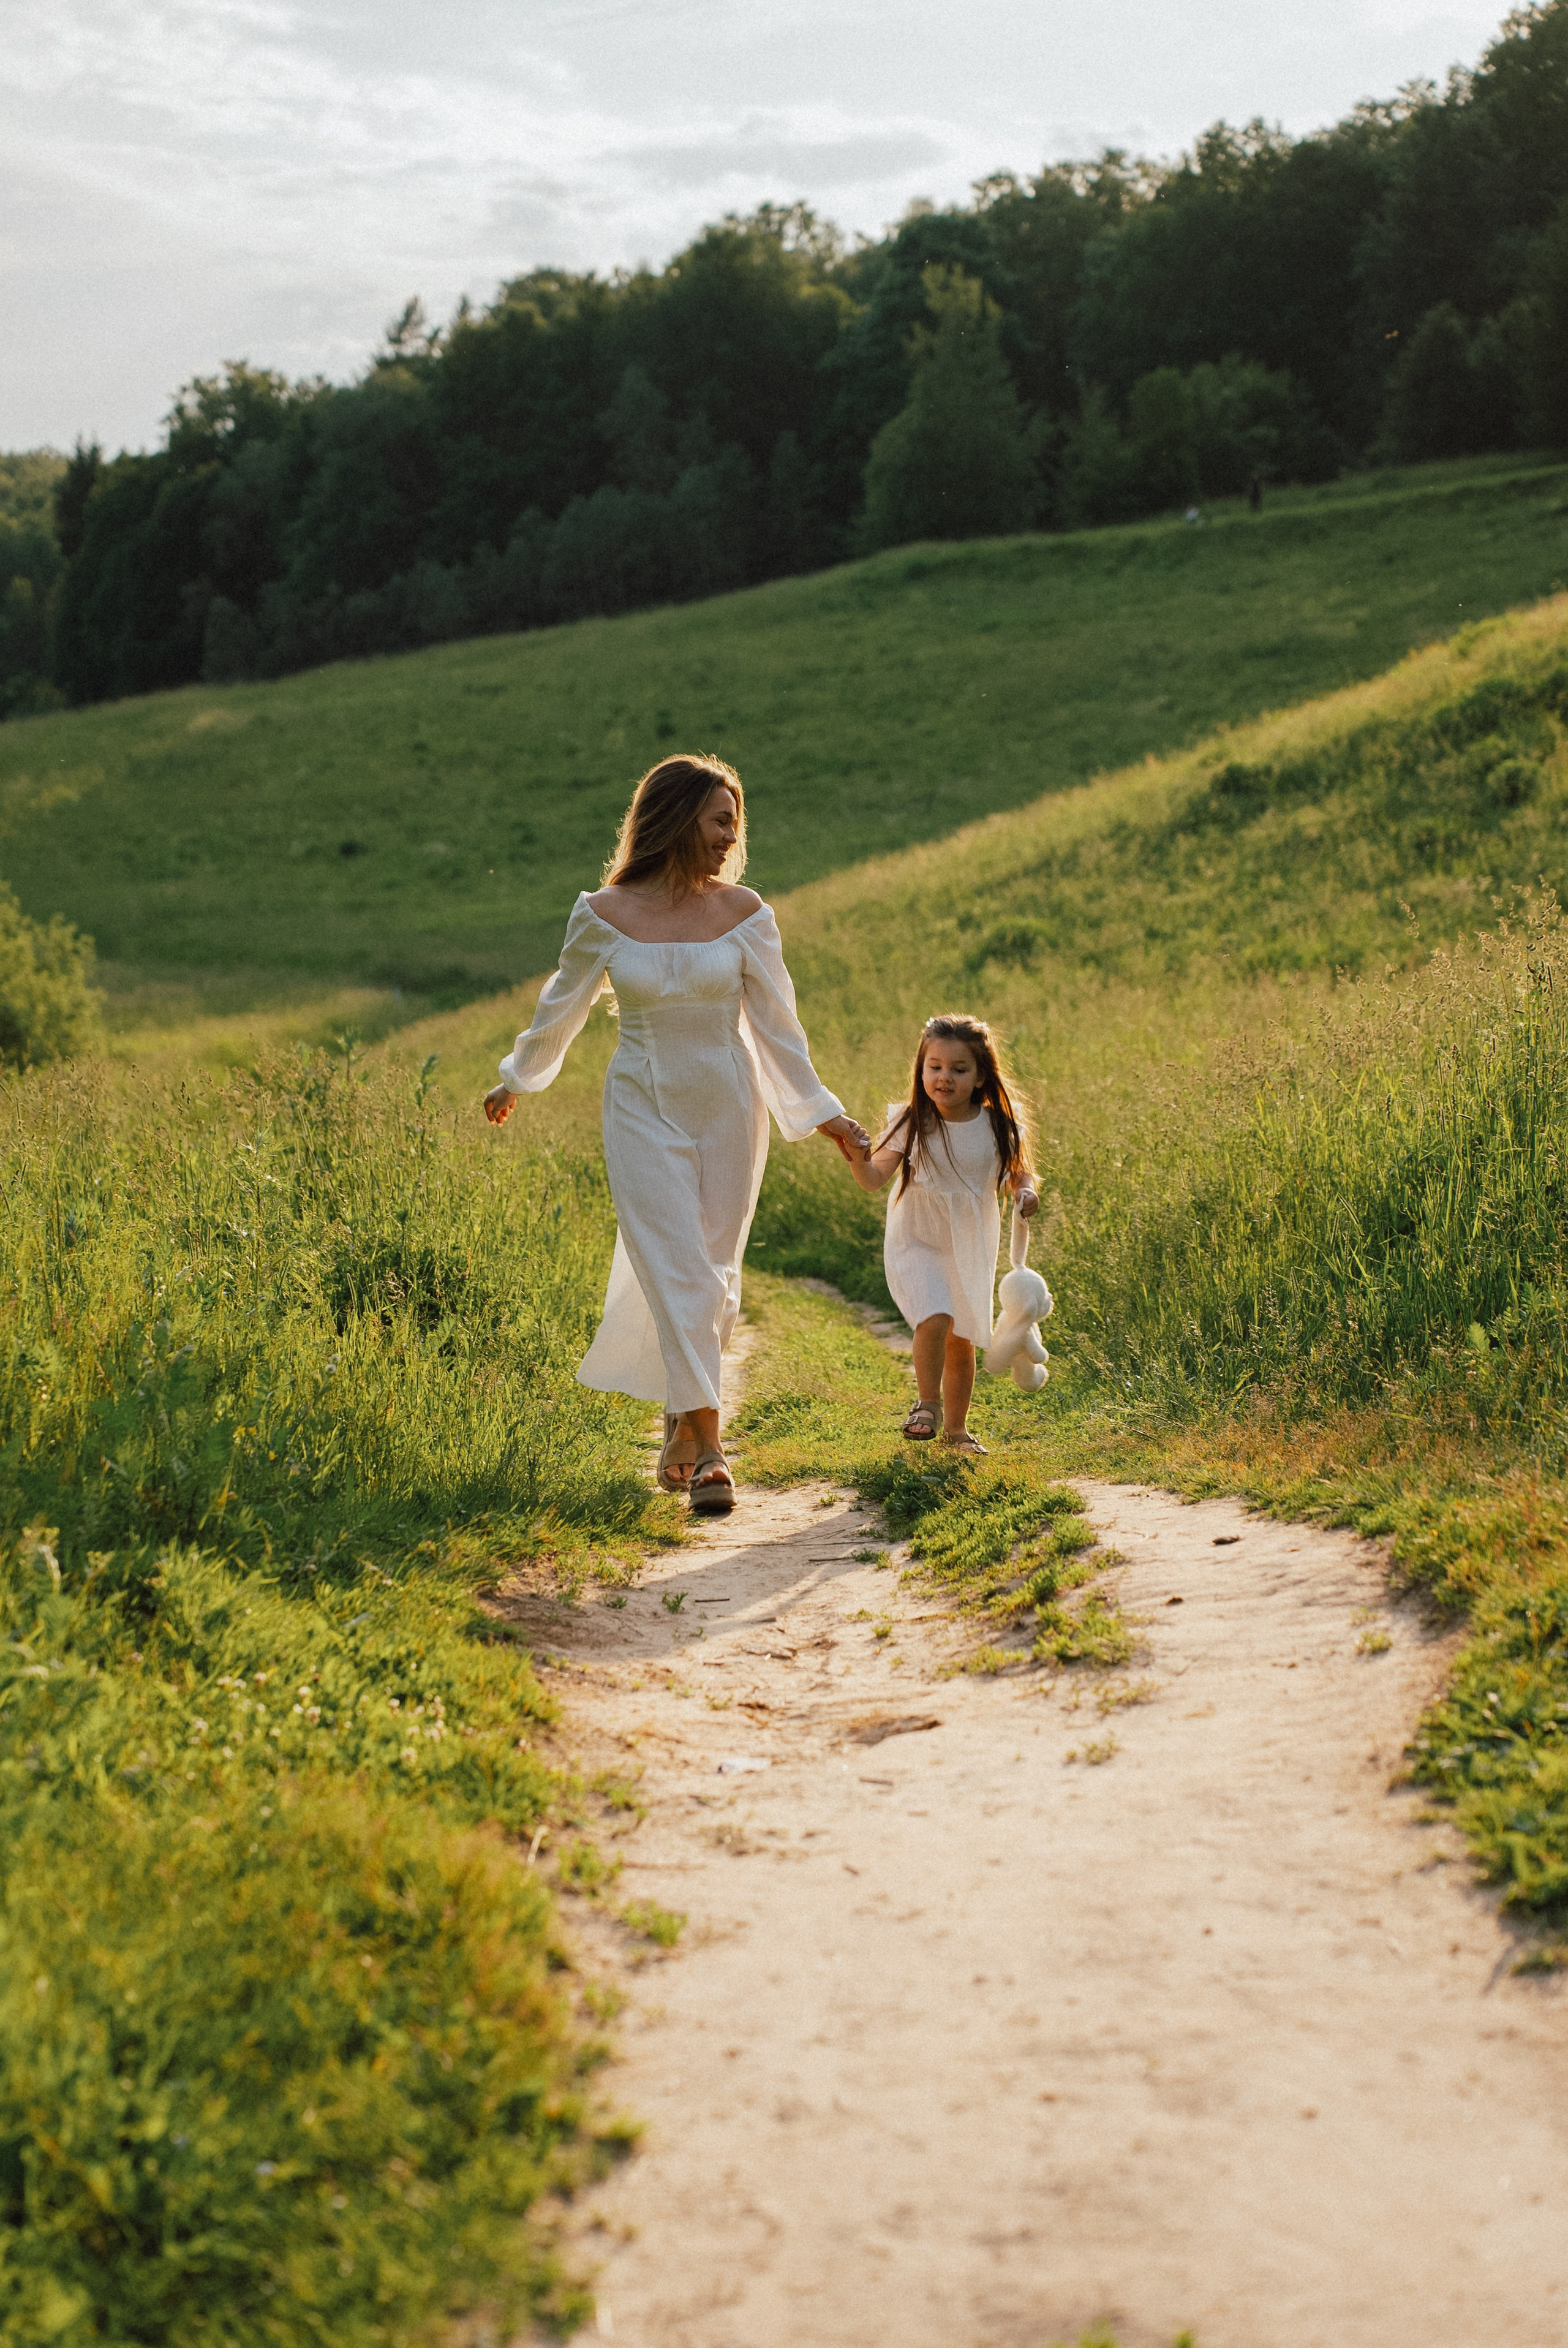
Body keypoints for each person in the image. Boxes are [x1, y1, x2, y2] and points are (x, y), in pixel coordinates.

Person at [483, 755, 868, 1514]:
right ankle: (713, 1453)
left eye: (735, 823)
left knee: (713, 1274)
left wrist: (823, 1112)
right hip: (640, 1106)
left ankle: (679, 1424)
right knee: (677, 1266)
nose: (730, 837)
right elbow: (560, 1005)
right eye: (720, 820)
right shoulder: (602, 912)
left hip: (729, 1105)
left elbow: (779, 1029)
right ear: (677, 816)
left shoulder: (746, 913)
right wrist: (517, 1077)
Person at [842, 1014, 1038, 1455]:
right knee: (934, 1316)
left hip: (970, 1246)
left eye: (958, 1069)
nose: (944, 1077)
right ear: (922, 1069)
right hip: (917, 1239)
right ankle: (927, 1404)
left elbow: (1020, 1173)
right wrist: (856, 1154)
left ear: (981, 1076)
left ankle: (957, 1431)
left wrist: (1025, 1193)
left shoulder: (998, 1127)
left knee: (960, 1338)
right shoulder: (911, 1121)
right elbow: (873, 1179)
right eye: (935, 1067)